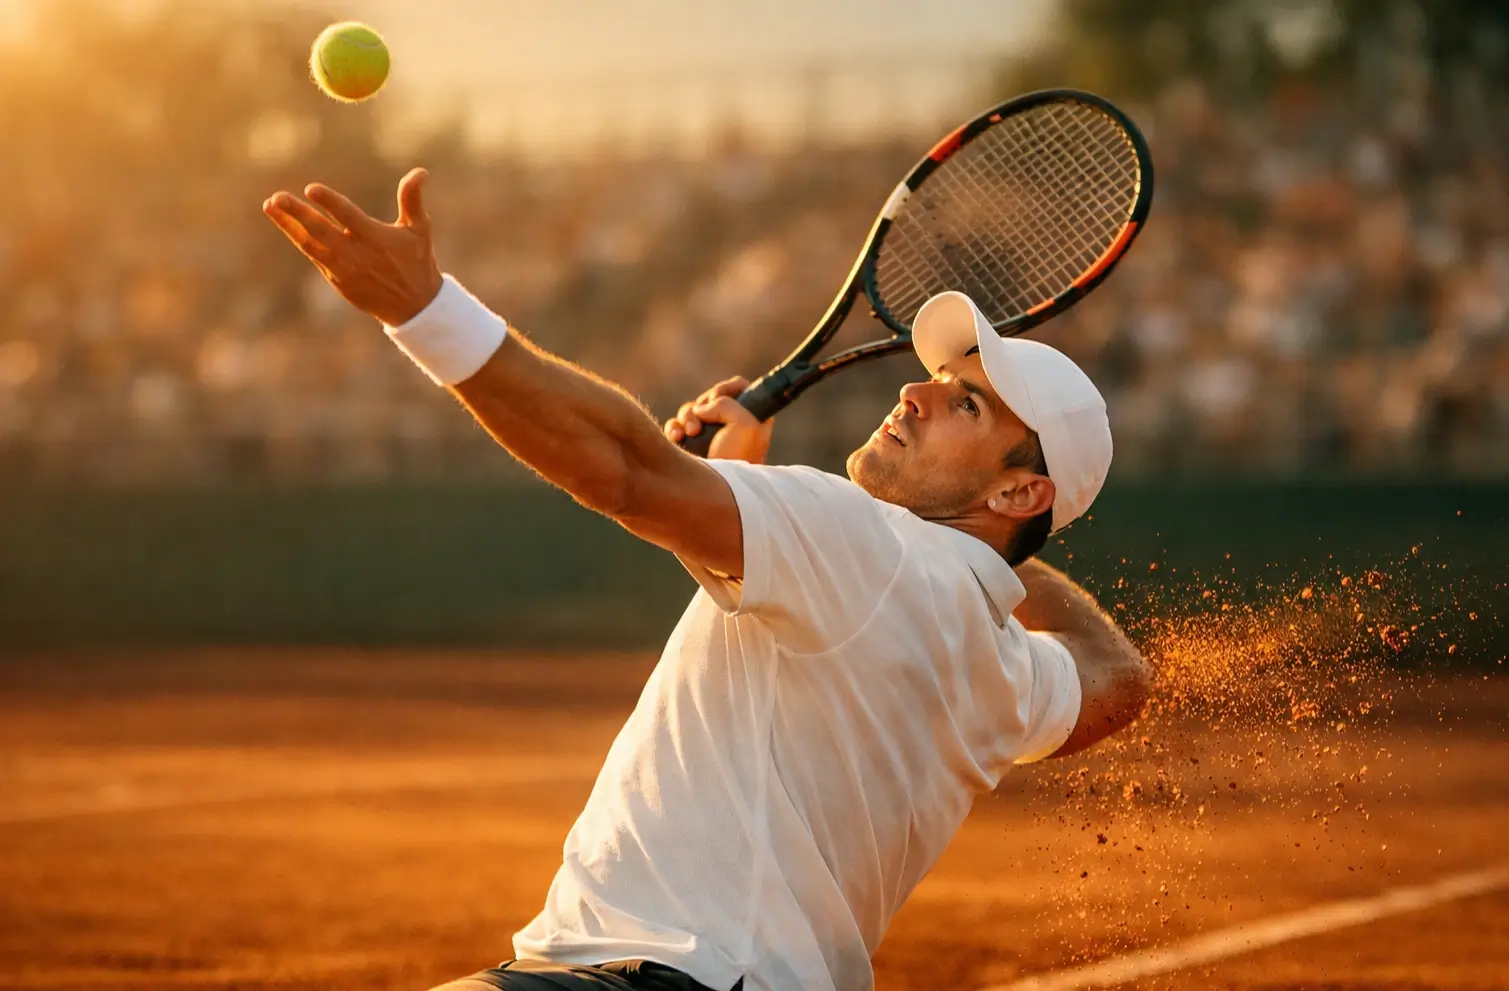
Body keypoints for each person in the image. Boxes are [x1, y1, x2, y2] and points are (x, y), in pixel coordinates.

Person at [262, 169, 1152, 991]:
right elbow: (1118, 678)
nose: (913, 396)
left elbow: (624, 471)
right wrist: (988, 552)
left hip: (660, 975)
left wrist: (424, 310)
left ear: (1018, 487)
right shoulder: (998, 659)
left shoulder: (866, 544)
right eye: (935, 379)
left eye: (967, 404)